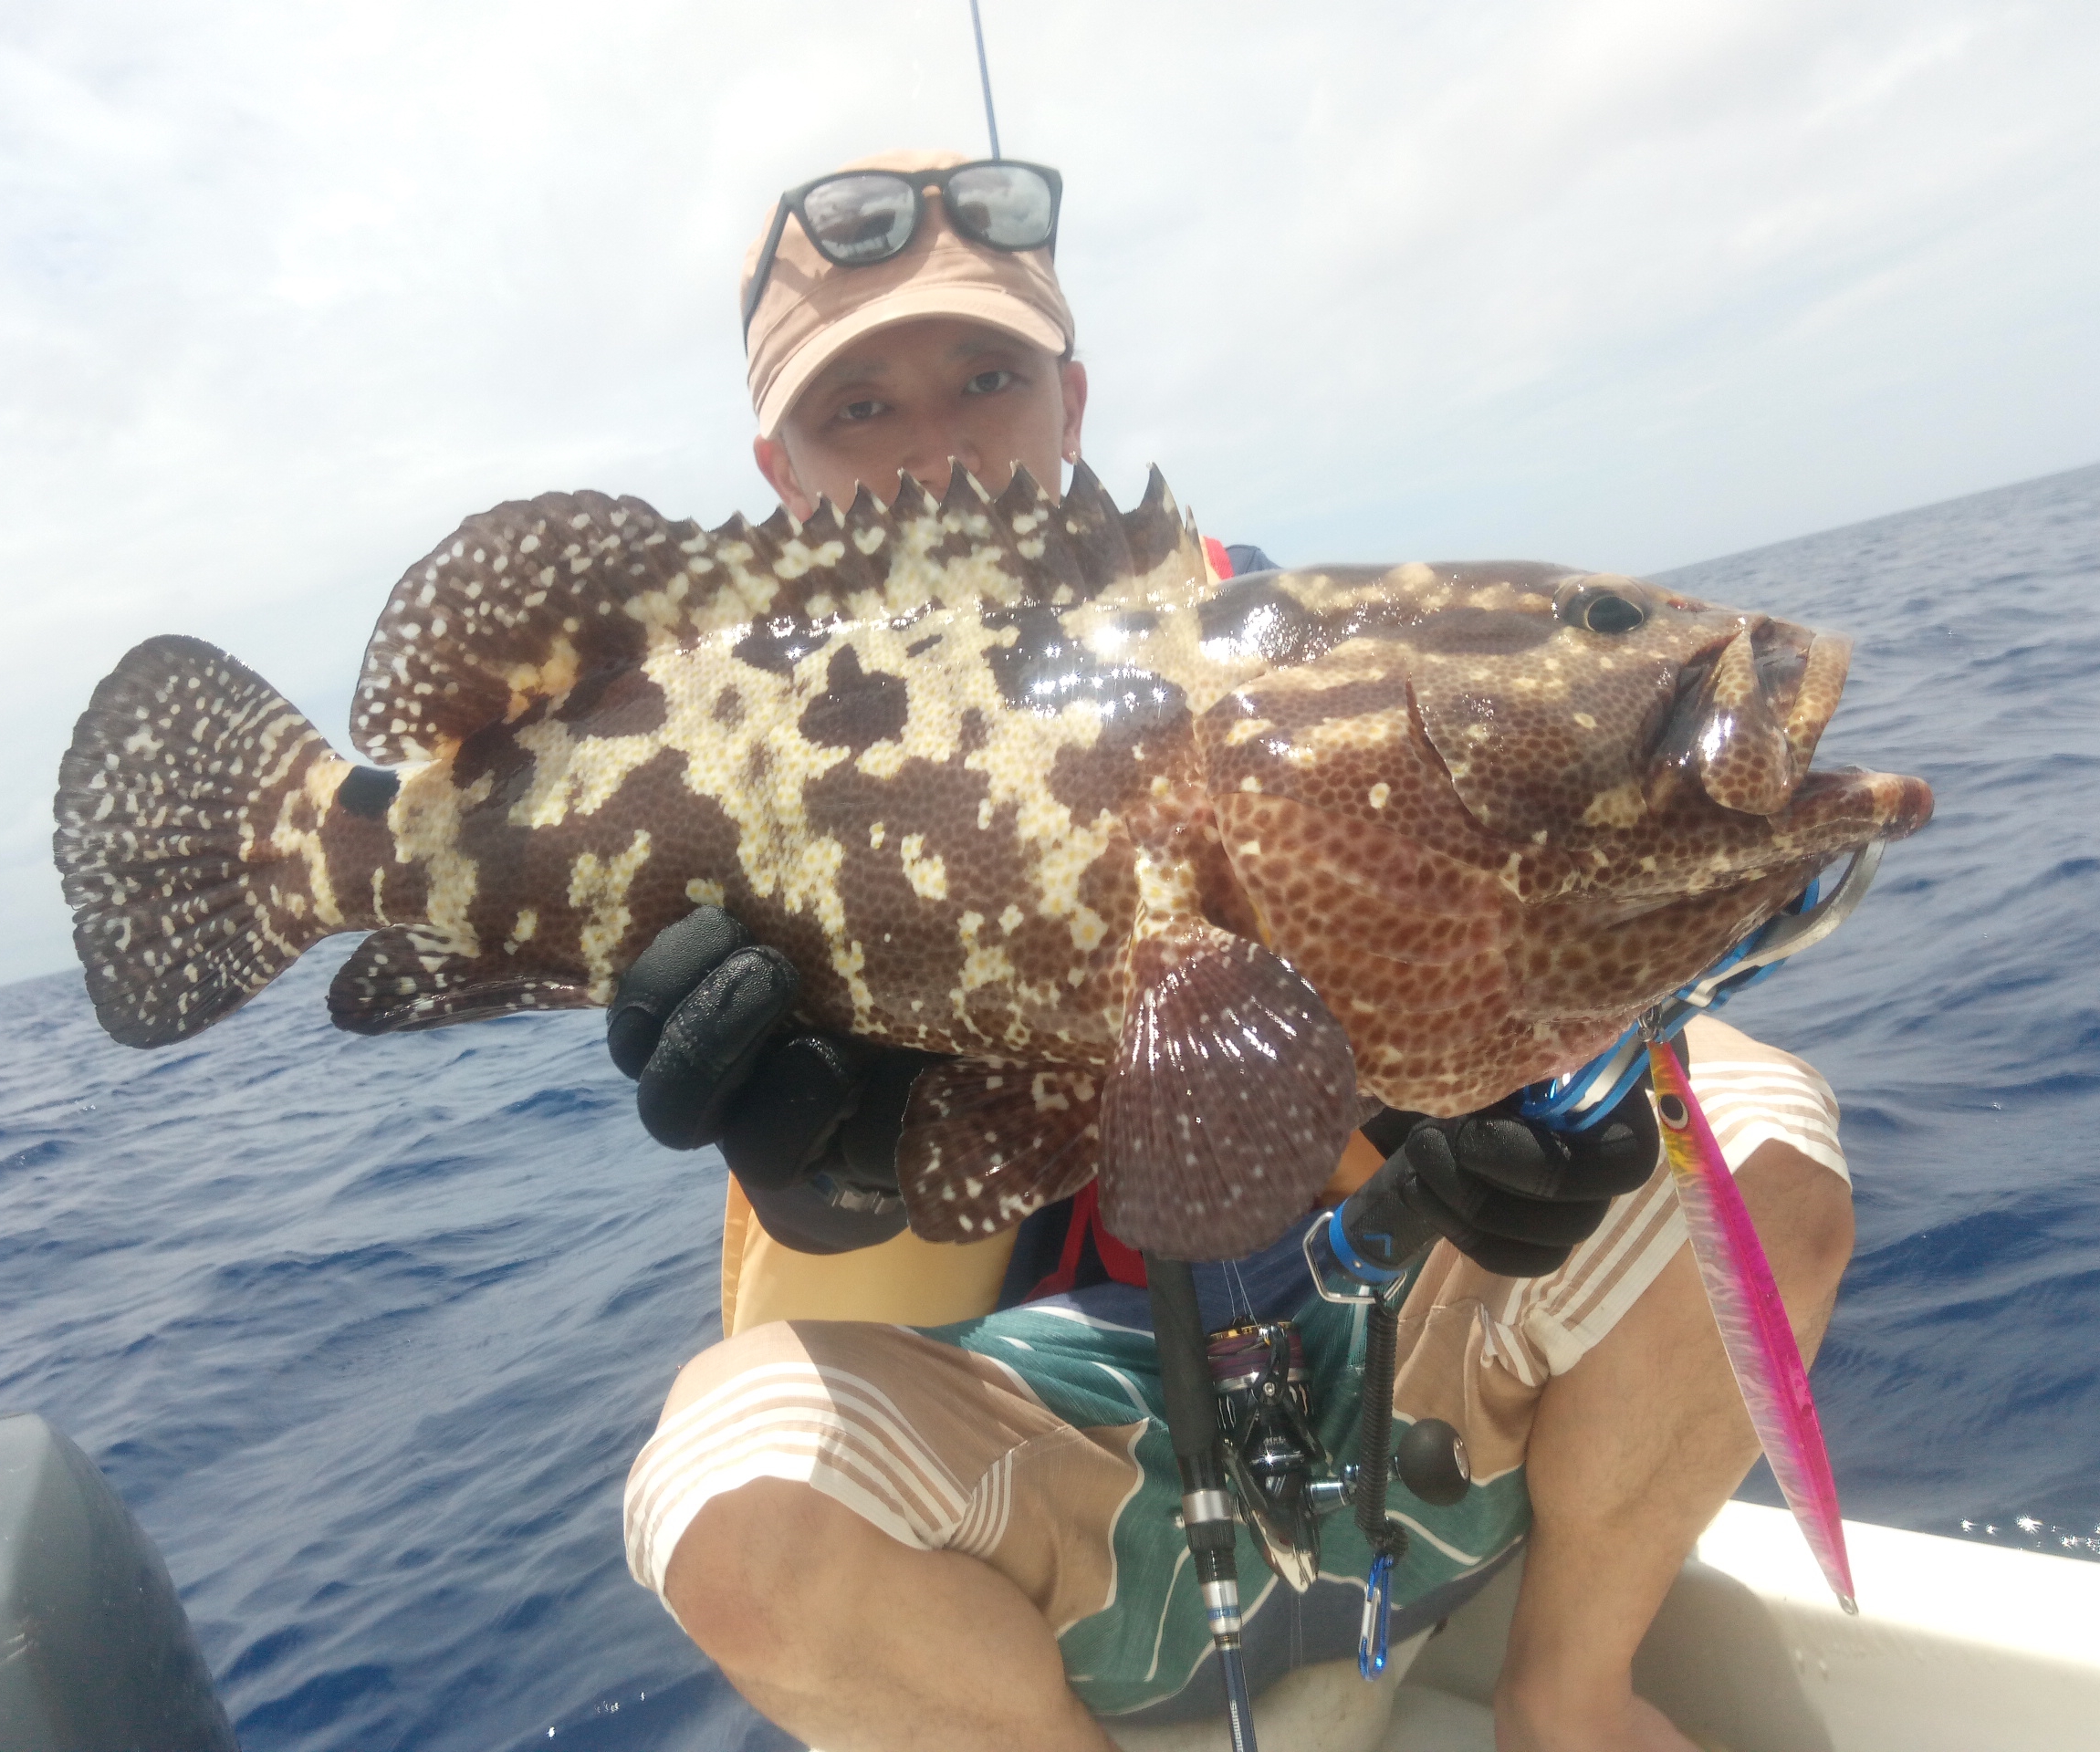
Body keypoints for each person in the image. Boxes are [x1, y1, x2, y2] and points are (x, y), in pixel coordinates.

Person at [614, 150, 1856, 1752]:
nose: (935, 449)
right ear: (781, 473)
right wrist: (827, 1167)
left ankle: (1570, 1699)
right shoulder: (750, 784)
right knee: (727, 1477)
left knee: (1749, 1132)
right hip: (1081, 1496)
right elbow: (831, 1335)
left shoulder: (1304, 660)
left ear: (1072, 402)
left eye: (986, 376)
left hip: (1396, 1402)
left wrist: (1506, 1131)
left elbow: (1472, 993)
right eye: (860, 412)